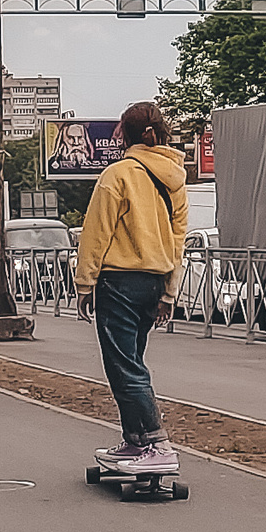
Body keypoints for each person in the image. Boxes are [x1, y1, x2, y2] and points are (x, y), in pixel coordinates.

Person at [74, 101, 190, 476]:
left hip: (119, 280)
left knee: (124, 367)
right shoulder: (175, 177)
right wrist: (170, 293)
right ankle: (135, 439)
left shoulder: (117, 174)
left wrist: (84, 283)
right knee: (132, 361)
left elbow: (97, 232)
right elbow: (178, 239)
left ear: (123, 133)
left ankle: (157, 444)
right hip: (155, 282)